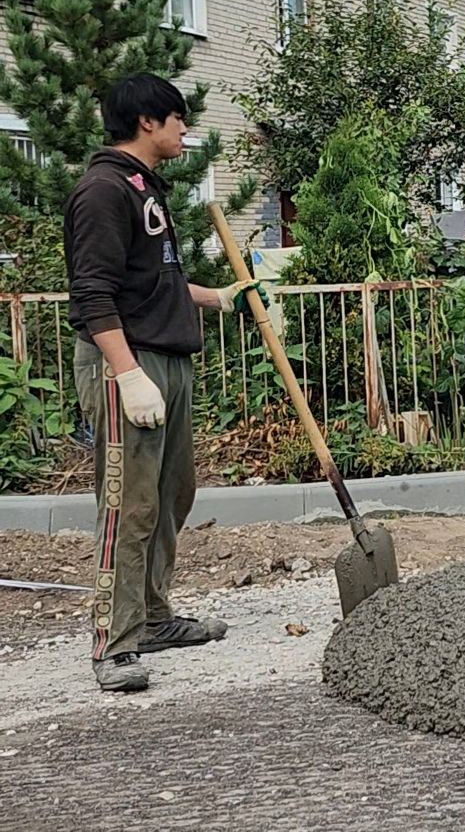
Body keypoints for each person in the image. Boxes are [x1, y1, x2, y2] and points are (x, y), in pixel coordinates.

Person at [64, 73, 261, 693]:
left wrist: (222, 298)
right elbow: (93, 293)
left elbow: (156, 284)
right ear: (147, 121)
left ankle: (152, 618)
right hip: (130, 363)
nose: (185, 130)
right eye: (178, 119)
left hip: (167, 356)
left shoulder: (145, 187)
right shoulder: (102, 191)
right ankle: (113, 642)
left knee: (174, 494)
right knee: (130, 504)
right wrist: (126, 374)